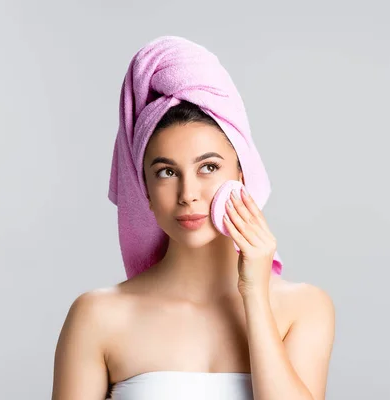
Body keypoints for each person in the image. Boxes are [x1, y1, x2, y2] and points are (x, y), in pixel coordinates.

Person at [51, 37, 335, 400]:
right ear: (145, 192)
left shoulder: (304, 308)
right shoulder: (97, 316)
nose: (188, 194)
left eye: (209, 167)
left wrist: (254, 295)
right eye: (167, 172)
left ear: (242, 175)